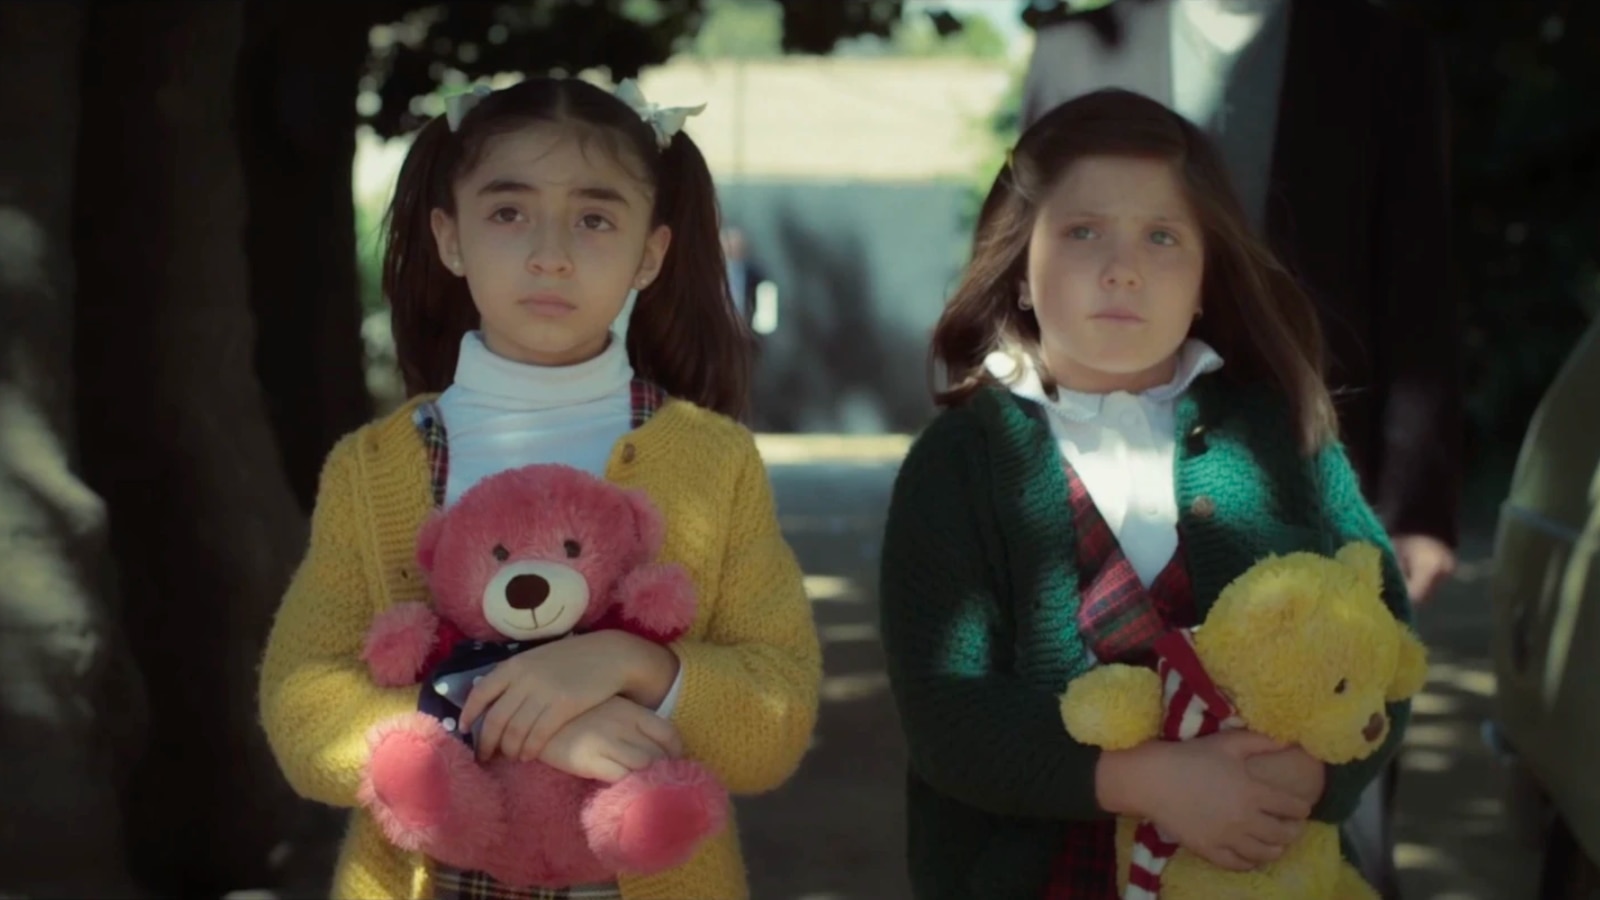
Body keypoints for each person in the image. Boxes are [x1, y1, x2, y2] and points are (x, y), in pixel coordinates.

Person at [258, 76, 820, 900]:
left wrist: (629, 662)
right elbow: (303, 709)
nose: (549, 252)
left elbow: (774, 719)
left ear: (650, 254)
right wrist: (524, 728)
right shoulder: (375, 469)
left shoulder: (715, 464)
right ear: (449, 237)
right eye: (508, 211)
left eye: (595, 218)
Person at [877, 88, 1415, 899]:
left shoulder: (1277, 435)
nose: (1121, 267)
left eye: (1162, 237)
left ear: (1206, 279)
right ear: (1020, 269)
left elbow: (1384, 639)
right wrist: (1151, 782)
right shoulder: (957, 466)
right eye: (1082, 231)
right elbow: (947, 719)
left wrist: (1311, 774)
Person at [1018, 5, 1459, 892]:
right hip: (1115, 481)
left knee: (1336, 767)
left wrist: (1415, 505)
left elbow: (1418, 273)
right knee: (1131, 753)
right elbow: (1021, 247)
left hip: (1313, 470)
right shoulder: (1075, 48)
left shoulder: (1382, 48)